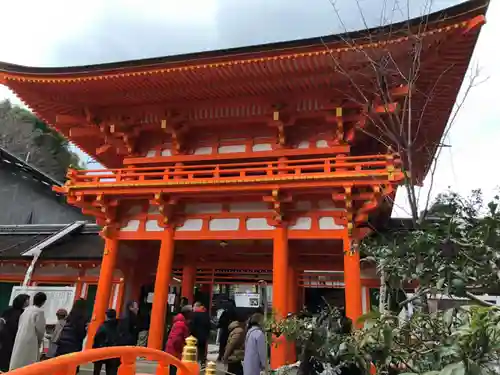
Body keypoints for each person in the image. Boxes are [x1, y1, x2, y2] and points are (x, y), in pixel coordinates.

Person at [9, 292, 47, 370]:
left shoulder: (26, 310)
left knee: (18, 358)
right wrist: (40, 341)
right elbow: (40, 329)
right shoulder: (39, 312)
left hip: (20, 337)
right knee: (29, 362)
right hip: (31, 339)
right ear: (43, 302)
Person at [0, 294, 30, 372]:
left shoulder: (7, 311)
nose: (29, 301)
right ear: (23, 301)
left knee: (5, 357)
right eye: (27, 299)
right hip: (13, 338)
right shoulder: (22, 313)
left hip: (5, 338)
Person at [93, 309, 121, 375]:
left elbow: (97, 339)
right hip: (115, 351)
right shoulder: (119, 326)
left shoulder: (103, 326)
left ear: (106, 316)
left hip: (102, 350)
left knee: (97, 369)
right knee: (111, 370)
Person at [165, 305, 192, 375]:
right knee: (174, 369)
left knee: (173, 369)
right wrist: (180, 349)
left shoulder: (180, 322)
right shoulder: (181, 324)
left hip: (173, 349)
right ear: (187, 313)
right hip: (175, 351)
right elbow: (176, 339)